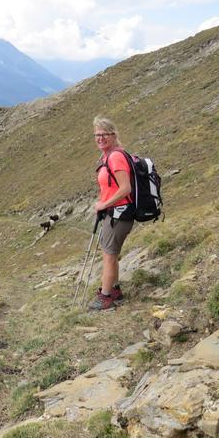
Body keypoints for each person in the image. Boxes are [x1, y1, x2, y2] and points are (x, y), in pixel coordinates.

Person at [88, 116, 134, 310]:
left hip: (119, 214)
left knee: (108, 256)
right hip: (114, 213)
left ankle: (105, 298)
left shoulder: (115, 157)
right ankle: (114, 291)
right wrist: (103, 203)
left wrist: (104, 204)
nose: (100, 138)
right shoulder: (109, 156)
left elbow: (125, 188)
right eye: (97, 135)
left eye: (104, 134)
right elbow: (111, 186)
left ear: (113, 135)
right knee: (111, 254)